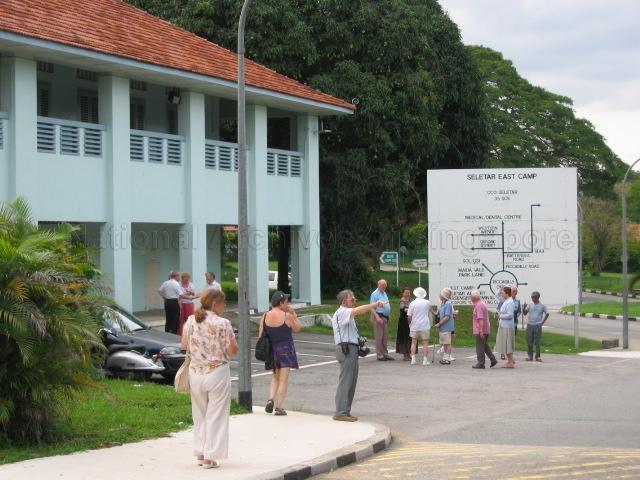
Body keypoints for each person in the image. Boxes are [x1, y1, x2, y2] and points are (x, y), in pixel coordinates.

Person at [181, 288, 238, 469]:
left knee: (200, 414)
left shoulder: (191, 320)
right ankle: (210, 456)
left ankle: (200, 451)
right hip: (217, 372)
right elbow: (233, 349)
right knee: (216, 415)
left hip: (195, 372)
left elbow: (184, 344)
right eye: (223, 302)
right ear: (215, 304)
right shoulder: (223, 323)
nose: (225, 306)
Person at [331, 290, 386, 422]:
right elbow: (357, 311)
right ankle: (341, 412)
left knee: (351, 381)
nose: (354, 302)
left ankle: (345, 411)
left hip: (351, 348)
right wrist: (374, 305)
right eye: (352, 300)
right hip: (346, 349)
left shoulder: (346, 314)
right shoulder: (342, 312)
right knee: (346, 381)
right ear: (344, 301)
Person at [260, 291, 302, 416]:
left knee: (275, 377)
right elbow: (298, 328)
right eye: (286, 301)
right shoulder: (286, 316)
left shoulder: (265, 315)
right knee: (283, 380)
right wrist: (293, 314)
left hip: (272, 349)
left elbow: (261, 335)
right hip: (285, 349)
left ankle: (270, 399)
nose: (288, 303)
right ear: (281, 303)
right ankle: (279, 407)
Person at [471, 290, 497, 369]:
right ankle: (493, 359)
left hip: (482, 329)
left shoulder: (479, 305)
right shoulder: (481, 304)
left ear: (474, 297)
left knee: (479, 347)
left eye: (471, 296)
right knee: (484, 345)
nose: (470, 298)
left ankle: (481, 363)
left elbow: (480, 319)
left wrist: (481, 330)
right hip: (485, 328)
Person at [523, 291, 549, 362]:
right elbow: (525, 313)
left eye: (534, 297)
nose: (532, 298)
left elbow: (547, 314)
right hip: (529, 324)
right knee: (529, 341)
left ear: (538, 297)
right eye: (532, 297)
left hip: (537, 325)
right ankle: (530, 356)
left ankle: (537, 356)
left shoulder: (542, 305)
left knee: (537, 341)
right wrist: (524, 308)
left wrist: (542, 323)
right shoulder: (530, 304)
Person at [408, 287, 432, 365]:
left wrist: (409, 324)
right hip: (424, 325)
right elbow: (430, 311)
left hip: (414, 325)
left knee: (413, 342)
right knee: (425, 343)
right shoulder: (427, 302)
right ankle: (425, 360)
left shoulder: (412, 303)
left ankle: (413, 359)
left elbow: (409, 316)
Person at [370, 279, 393, 361]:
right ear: (378, 285)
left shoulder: (384, 293)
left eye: (385, 285)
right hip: (379, 316)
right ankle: (379, 355)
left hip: (385, 317)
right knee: (379, 336)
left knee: (385, 336)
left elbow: (386, 304)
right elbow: (372, 307)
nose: (384, 287)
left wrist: (388, 315)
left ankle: (385, 354)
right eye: (383, 285)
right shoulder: (375, 294)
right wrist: (377, 317)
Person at [495, 286, 516, 368]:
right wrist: (501, 288)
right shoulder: (506, 301)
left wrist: (500, 315)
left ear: (507, 293)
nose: (502, 294)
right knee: (506, 345)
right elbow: (497, 295)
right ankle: (511, 361)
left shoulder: (510, 302)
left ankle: (510, 362)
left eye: (503, 293)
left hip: (507, 327)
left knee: (507, 345)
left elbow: (510, 315)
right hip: (504, 325)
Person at [435, 287, 455, 365]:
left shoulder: (448, 304)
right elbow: (439, 314)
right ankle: (445, 357)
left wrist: (439, 323)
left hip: (447, 326)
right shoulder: (443, 303)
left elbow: (447, 317)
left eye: (441, 294)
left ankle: (447, 358)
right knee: (445, 343)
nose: (440, 295)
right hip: (443, 327)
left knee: (447, 343)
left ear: (444, 295)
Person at [395, 288, 412, 361]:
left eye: (408, 293)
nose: (407, 294)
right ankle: (405, 355)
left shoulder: (410, 301)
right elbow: (404, 310)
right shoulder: (401, 301)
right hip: (403, 322)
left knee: (409, 337)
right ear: (403, 293)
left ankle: (409, 353)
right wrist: (410, 309)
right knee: (404, 337)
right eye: (406, 293)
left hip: (409, 322)